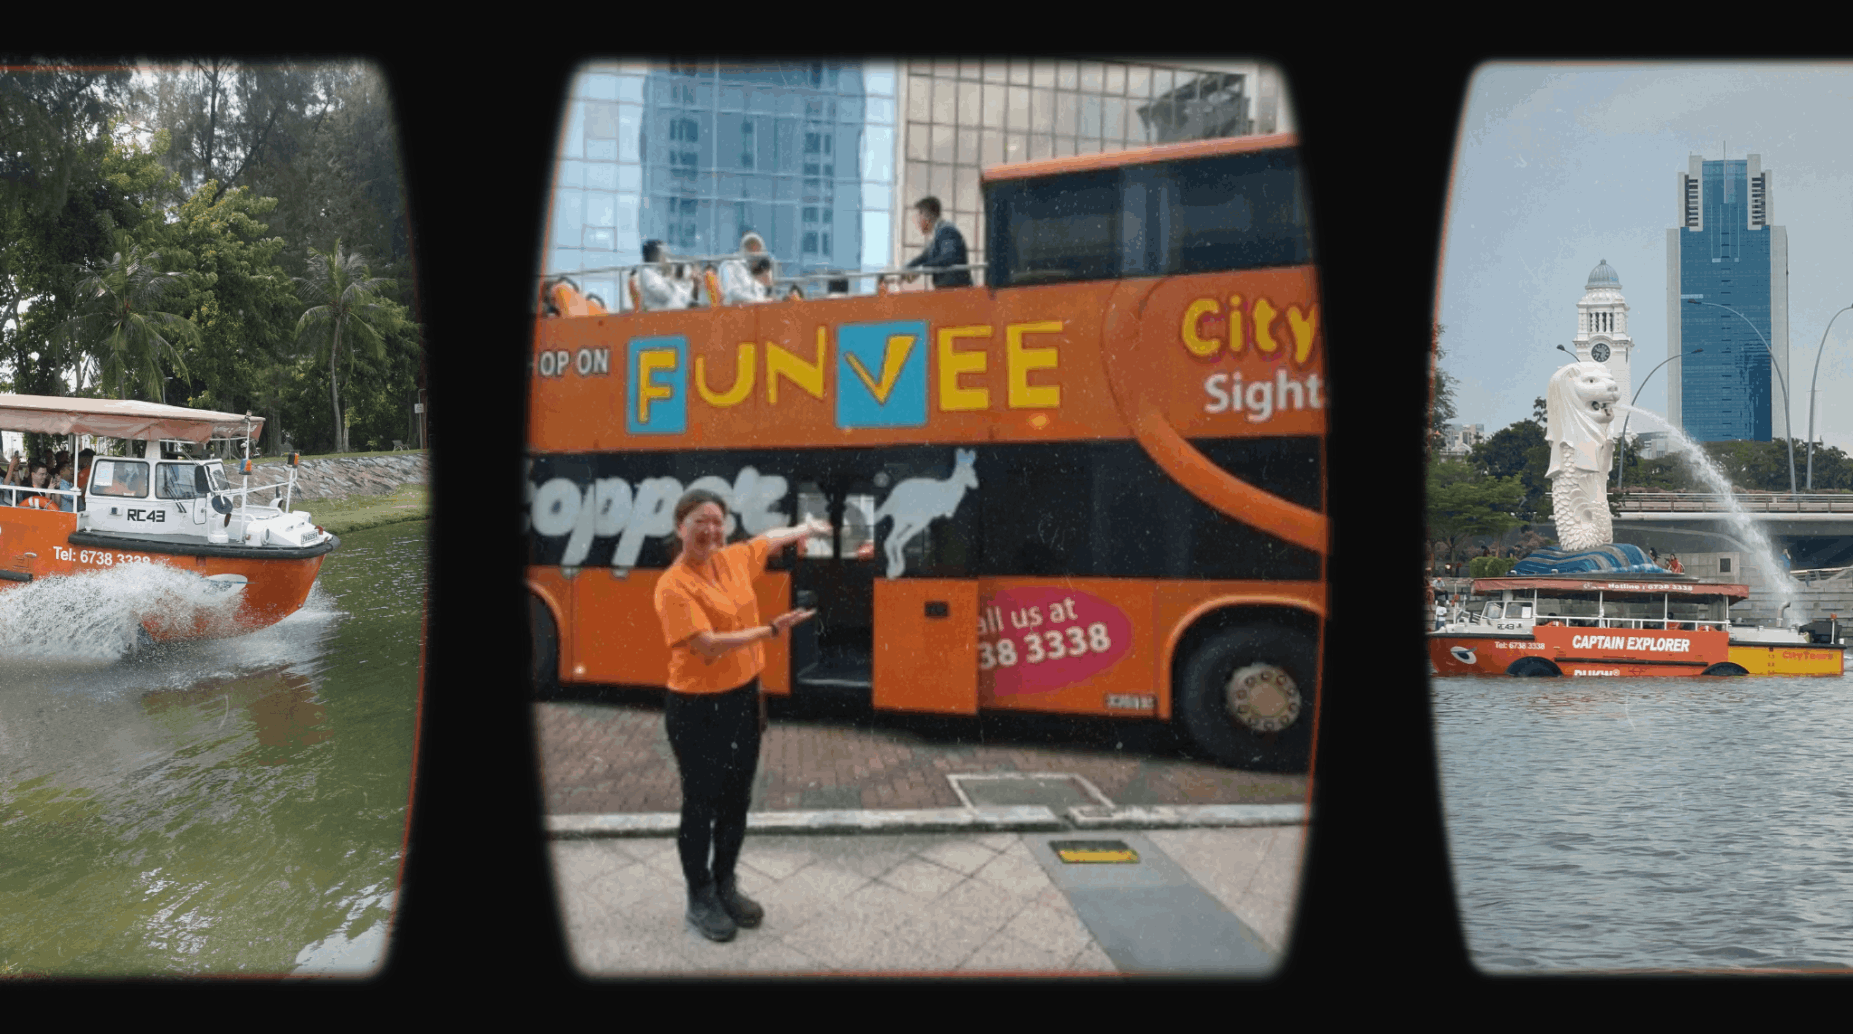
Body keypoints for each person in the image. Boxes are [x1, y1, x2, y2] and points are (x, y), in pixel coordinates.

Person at [652, 490, 829, 943]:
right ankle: (699, 896)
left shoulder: (732, 559)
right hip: (697, 707)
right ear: (680, 528)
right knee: (700, 803)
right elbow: (706, 645)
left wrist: (806, 530)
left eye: (717, 521)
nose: (710, 530)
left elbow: (769, 539)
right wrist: (770, 630)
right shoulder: (673, 585)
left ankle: (726, 883)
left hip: (744, 699)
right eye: (699, 522)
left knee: (737, 798)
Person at [903, 196, 971, 289]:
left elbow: (948, 257)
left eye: (919, 215)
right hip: (945, 290)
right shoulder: (937, 235)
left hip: (956, 291)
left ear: (926, 215)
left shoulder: (946, 230)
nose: (918, 222)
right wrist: (903, 271)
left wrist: (920, 269)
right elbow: (923, 258)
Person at [717, 232, 773, 305]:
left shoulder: (755, 277)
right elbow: (732, 295)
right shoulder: (730, 265)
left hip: (755, 312)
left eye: (757, 249)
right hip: (735, 313)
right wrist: (759, 301)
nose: (754, 252)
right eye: (749, 247)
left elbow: (761, 297)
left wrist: (768, 286)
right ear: (743, 249)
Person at [636, 240, 693, 311]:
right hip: (660, 314)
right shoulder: (647, 273)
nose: (667, 258)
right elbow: (666, 295)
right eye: (663, 254)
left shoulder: (656, 271)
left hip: (672, 311)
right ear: (653, 255)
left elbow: (683, 297)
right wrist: (669, 277)